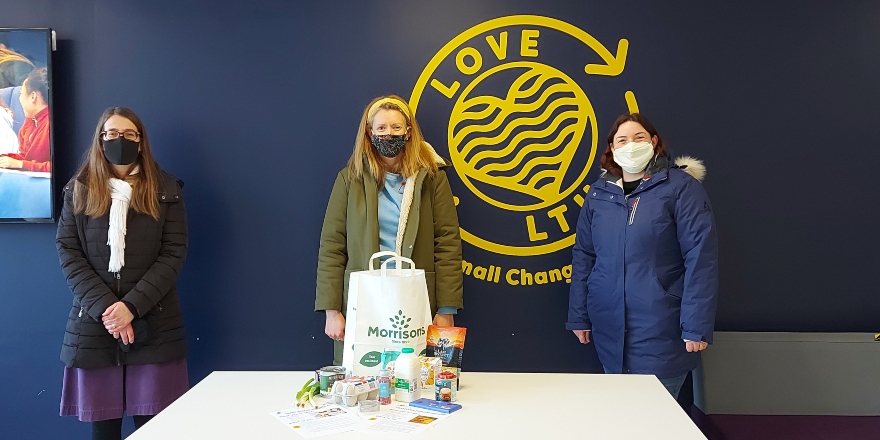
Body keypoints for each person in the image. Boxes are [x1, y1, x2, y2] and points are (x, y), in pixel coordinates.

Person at [56, 107, 189, 439]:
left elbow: (174, 253)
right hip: (95, 325)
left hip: (154, 325)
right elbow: (68, 251)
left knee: (154, 429)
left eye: (129, 134)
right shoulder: (79, 189)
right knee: (104, 431)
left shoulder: (167, 190)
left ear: (141, 143)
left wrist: (131, 308)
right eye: (112, 134)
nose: (120, 140)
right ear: (100, 141)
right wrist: (108, 310)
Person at [566, 113, 718, 399]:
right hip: (609, 328)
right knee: (623, 418)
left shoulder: (681, 188)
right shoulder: (599, 194)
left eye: (639, 138)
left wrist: (697, 326)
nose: (631, 145)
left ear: (654, 142)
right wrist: (579, 316)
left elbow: (701, 259)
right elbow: (584, 256)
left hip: (662, 330)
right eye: (622, 140)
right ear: (611, 148)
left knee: (657, 422)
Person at [315, 95, 463, 365]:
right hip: (365, 298)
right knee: (364, 378)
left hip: (417, 295)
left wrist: (446, 308)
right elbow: (332, 247)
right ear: (370, 133)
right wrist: (332, 311)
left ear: (408, 132)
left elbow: (448, 244)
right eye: (381, 128)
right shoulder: (350, 179)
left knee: (420, 378)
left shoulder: (432, 177)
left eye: (396, 128)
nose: (388, 134)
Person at [0, 67, 50, 171]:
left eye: (21, 93)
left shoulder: (53, 124)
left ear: (33, 96)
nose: (20, 99)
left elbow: (60, 168)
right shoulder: (28, 124)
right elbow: (23, 157)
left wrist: (22, 164)